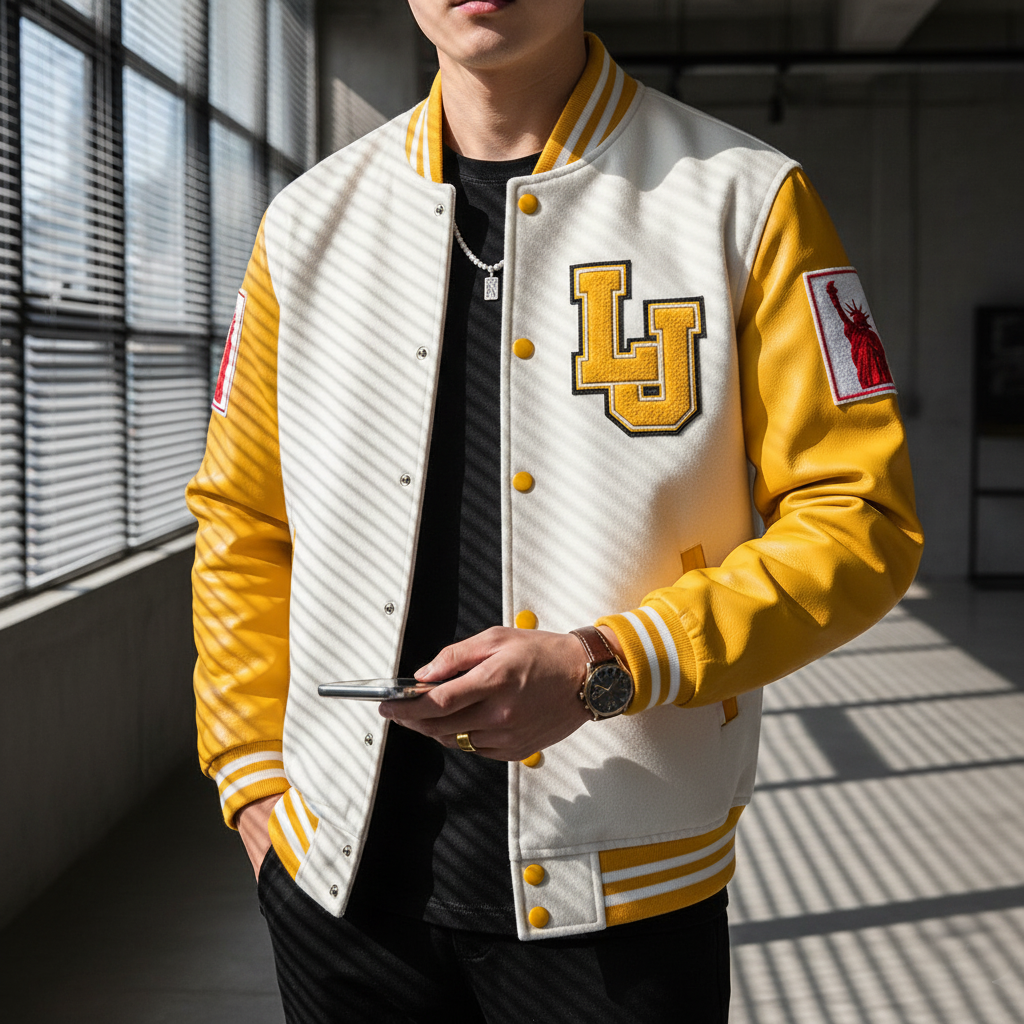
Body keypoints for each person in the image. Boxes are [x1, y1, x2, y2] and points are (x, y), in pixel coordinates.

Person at [187, 1, 923, 1021]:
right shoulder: (307, 227)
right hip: (336, 880)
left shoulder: (747, 201)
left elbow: (857, 519)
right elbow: (242, 520)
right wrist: (250, 776)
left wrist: (607, 662)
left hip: (624, 887)